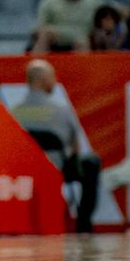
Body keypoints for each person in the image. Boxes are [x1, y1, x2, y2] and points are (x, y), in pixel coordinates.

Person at [10, 59, 101, 232]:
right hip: (58, 168)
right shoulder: (62, 111)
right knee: (92, 163)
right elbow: (74, 146)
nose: (55, 80)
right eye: (52, 77)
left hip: (24, 170)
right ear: (44, 80)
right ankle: (84, 224)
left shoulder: (13, 113)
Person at [31, 0, 120, 52]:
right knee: (44, 34)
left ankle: (82, 64)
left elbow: (120, 10)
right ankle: (37, 63)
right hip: (57, 36)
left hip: (84, 37)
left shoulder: (94, 2)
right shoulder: (49, 1)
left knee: (82, 42)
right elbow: (41, 25)